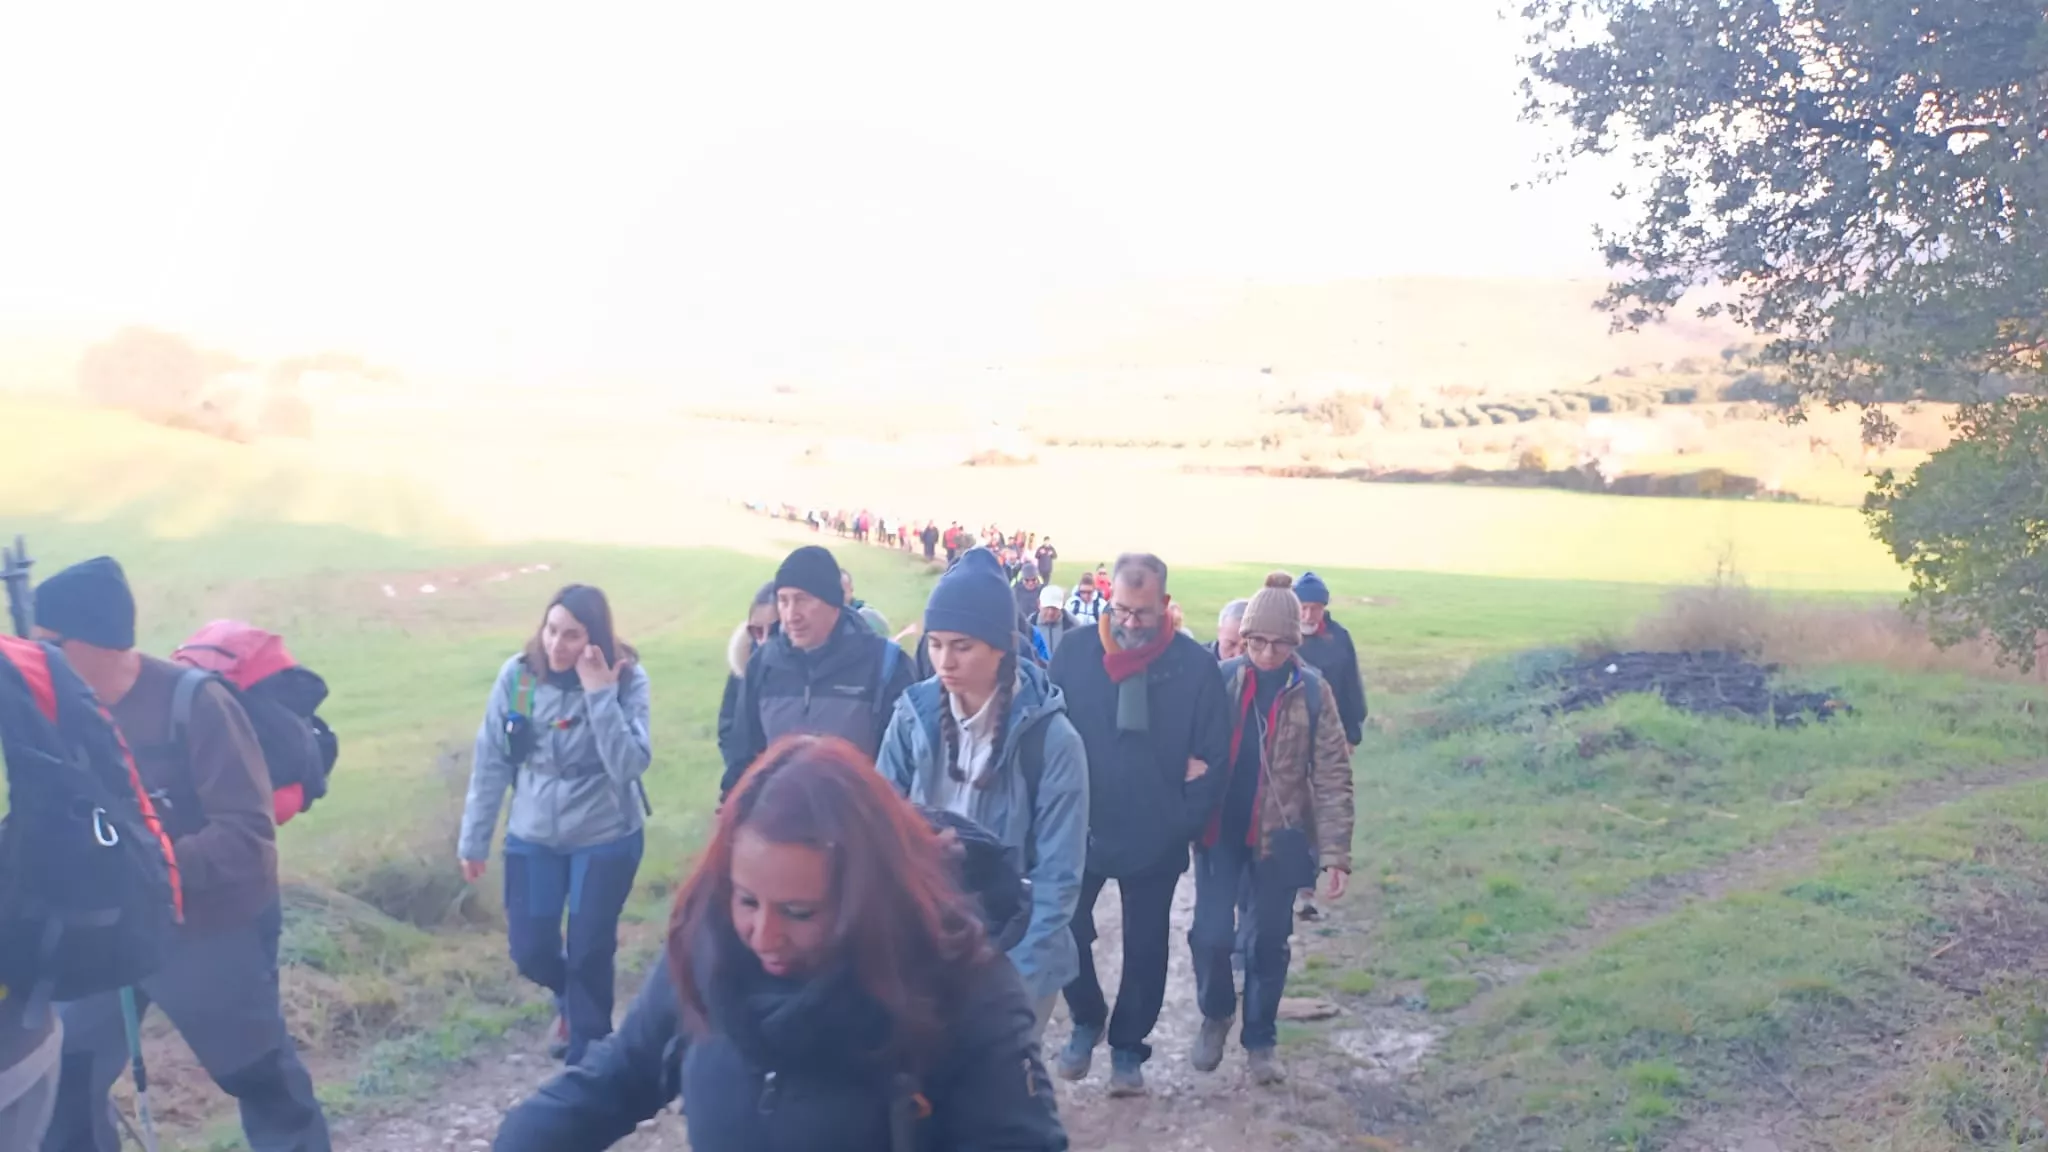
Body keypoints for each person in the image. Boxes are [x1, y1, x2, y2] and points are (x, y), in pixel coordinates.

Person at [492, 735, 1069, 1151]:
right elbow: (621, 1075)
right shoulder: (710, 948)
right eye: (746, 900)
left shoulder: (962, 987)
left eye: (799, 912)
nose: (764, 936)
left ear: (866, 898)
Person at [32, 557, 331, 1152]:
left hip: (212, 927)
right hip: (111, 931)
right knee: (63, 1079)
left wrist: (140, 868)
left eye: (48, 645)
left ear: (93, 640)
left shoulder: (196, 705)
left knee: (261, 1080)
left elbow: (247, 840)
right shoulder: (62, 714)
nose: (37, 659)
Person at [876, 555, 1089, 1042]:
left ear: (1002, 647)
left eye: (962, 646)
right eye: (935, 645)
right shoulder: (910, 718)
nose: (945, 662)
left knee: (998, 1084)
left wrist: (1009, 989)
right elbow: (877, 829)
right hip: (925, 948)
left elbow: (1058, 880)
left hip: (1016, 951)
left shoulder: (1054, 742)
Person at [1047, 553, 1231, 1097]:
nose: (1129, 622)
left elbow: (1213, 757)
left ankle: (1129, 1047)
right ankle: (1087, 1017)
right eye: (1121, 609)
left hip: (1158, 832)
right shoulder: (1074, 653)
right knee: (1064, 927)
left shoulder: (1194, 667)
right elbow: (1048, 733)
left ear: (1165, 605)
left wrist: (1181, 821)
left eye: (1143, 613)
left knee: (1146, 946)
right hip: (1082, 827)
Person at [459, 585, 652, 1066]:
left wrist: (599, 694)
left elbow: (629, 765)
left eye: (571, 635)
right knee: (530, 950)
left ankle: (589, 1062)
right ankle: (572, 1001)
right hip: (533, 833)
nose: (556, 645)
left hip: (605, 834)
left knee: (590, 950)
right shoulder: (519, 677)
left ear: (595, 638)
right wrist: (474, 840)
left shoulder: (627, 679)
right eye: (551, 630)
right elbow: (491, 761)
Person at [1189, 575, 1355, 1085]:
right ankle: (1216, 1013)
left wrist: (1335, 853)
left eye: (1278, 644)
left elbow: (1333, 774)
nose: (1265, 653)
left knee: (1267, 943)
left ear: (1294, 643)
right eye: (1255, 641)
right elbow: (1186, 750)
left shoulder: (1314, 692)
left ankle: (1261, 1040)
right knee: (1210, 937)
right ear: (1242, 637)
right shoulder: (1219, 680)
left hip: (1279, 839)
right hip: (1219, 833)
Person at [720, 545, 915, 799]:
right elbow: (743, 761)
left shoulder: (886, 665)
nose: (791, 615)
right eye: (783, 601)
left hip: (859, 820)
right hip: (781, 819)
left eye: (802, 600)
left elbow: (906, 771)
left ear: (833, 603)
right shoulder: (763, 664)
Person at [1294, 572, 1368, 749]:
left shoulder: (1339, 638)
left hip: (1330, 730)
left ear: (1324, 608)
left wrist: (1352, 734)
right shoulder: (1281, 636)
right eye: (1303, 608)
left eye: (1315, 609)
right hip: (1291, 730)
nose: (1308, 616)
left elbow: (1351, 686)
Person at [716, 582, 778, 775]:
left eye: (774, 631)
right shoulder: (742, 668)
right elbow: (727, 728)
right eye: (757, 631)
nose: (764, 640)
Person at [1032, 586, 1081, 663]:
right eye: (1047, 608)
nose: (1050, 612)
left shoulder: (1073, 625)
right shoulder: (1030, 625)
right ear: (1039, 604)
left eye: (1055, 608)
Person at [840, 569, 892, 637]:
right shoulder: (828, 616)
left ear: (851, 590)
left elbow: (884, 634)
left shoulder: (866, 615)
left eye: (841, 592)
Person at [1012, 559, 1045, 625]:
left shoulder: (1043, 591)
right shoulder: (1016, 591)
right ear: (1022, 579)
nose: (1030, 583)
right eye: (1027, 580)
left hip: (1038, 625)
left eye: (1033, 580)